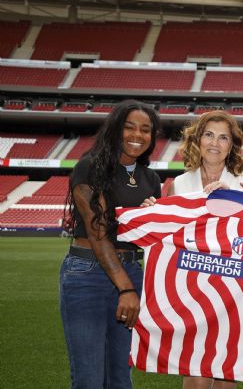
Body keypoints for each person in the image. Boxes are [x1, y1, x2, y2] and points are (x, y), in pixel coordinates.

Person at [144, 110, 243, 389]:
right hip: (193, 294)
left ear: (232, 145)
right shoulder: (178, 185)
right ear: (198, 139)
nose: (215, 143)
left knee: (226, 378)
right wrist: (151, 215)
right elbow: (166, 239)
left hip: (233, 294)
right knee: (195, 377)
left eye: (223, 137)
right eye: (209, 134)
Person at [60, 99, 162, 388]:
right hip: (87, 274)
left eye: (145, 130)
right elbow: (98, 234)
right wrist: (126, 288)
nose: (137, 135)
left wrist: (150, 215)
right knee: (89, 378)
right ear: (115, 129)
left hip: (132, 271)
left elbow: (149, 238)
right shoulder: (89, 167)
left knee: (121, 376)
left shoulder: (151, 178)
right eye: (129, 127)